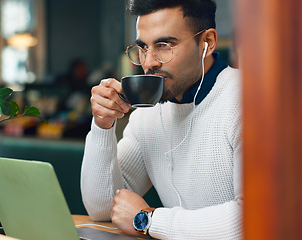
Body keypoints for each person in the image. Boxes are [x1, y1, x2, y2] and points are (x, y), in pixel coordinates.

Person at [80, 0, 242, 239]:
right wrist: (102, 126)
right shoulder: (147, 115)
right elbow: (103, 208)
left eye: (164, 45)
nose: (149, 62)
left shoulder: (250, 101)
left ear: (206, 42)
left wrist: (147, 219)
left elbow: (257, 218)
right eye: (143, 48)